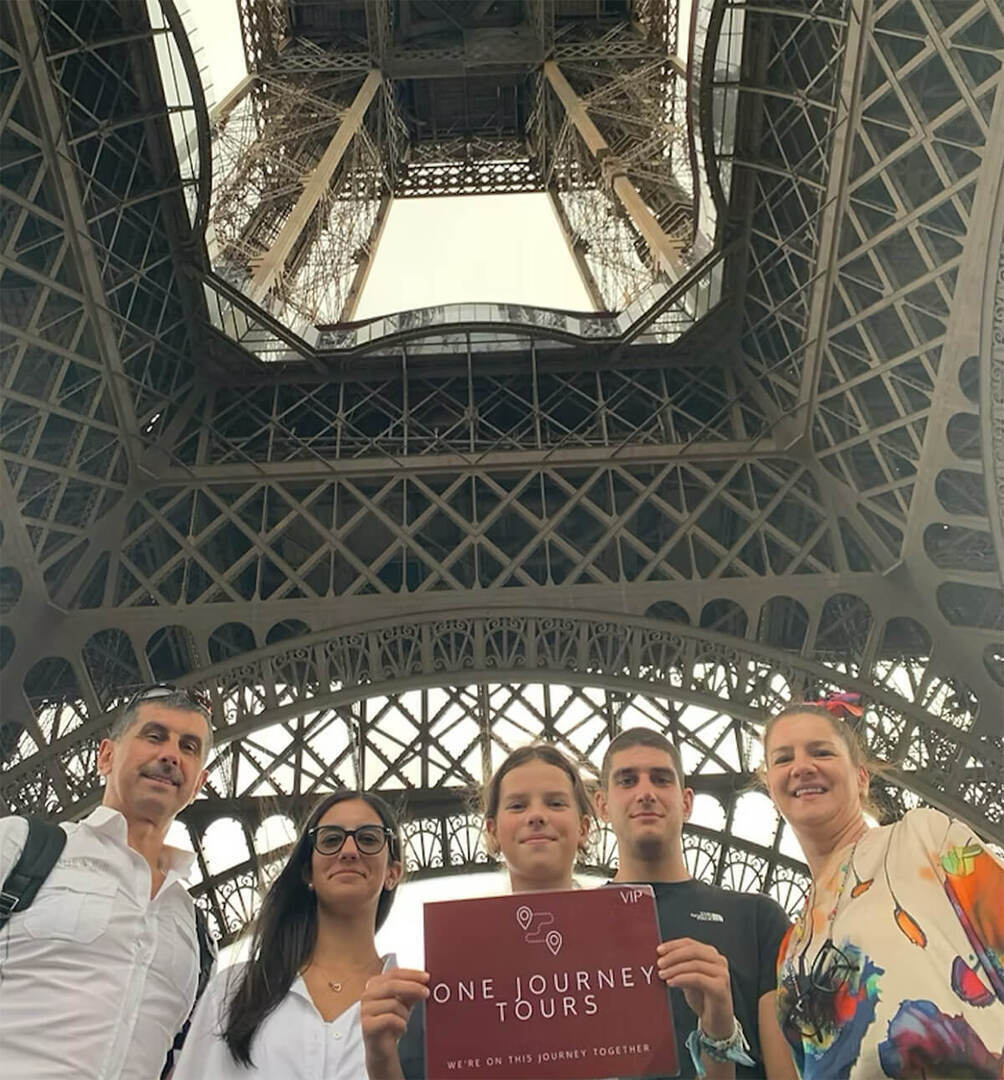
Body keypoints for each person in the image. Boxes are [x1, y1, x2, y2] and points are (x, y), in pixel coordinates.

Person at [762, 697, 1004, 1079]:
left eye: (821, 752)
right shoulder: (792, 947)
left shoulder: (922, 838)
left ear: (861, 777)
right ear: (770, 788)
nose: (802, 767)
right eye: (782, 758)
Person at [0, 683, 213, 1080]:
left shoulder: (196, 936)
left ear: (198, 783)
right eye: (154, 736)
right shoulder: (18, 846)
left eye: (189, 747)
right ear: (106, 755)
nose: (170, 754)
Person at [360, 744, 594, 1080]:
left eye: (555, 803)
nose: (537, 815)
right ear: (492, 831)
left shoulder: (634, 952)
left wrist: (702, 1026)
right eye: (517, 805)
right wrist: (380, 1058)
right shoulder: (450, 974)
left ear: (584, 827)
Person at [172, 790, 418, 1079]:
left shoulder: (419, 1011)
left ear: (393, 872)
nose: (349, 850)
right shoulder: (232, 992)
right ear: (307, 873)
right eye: (330, 839)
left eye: (368, 839)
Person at [595, 727, 796, 1080]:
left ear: (686, 802)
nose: (645, 792)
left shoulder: (758, 919)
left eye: (660, 779)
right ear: (601, 805)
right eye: (627, 781)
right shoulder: (572, 925)